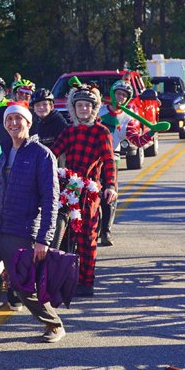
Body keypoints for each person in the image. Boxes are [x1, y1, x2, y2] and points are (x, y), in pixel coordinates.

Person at [0, 101, 64, 345]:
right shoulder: (6, 151)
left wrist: (43, 239)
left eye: (19, 119)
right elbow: (0, 190)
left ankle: (53, 323)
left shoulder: (42, 155)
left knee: (23, 287)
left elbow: (51, 199)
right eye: (9, 120)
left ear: (28, 123)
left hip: (23, 232)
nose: (14, 123)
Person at [51, 83, 117, 297]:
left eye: (87, 106)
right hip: (68, 186)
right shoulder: (69, 131)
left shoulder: (101, 132)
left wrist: (111, 186)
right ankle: (61, 277)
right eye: (79, 106)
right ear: (73, 108)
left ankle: (86, 282)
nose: (83, 110)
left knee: (87, 237)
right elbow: (53, 154)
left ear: (94, 108)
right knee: (63, 233)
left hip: (90, 190)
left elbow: (109, 162)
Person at [97, 79, 154, 246]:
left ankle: (105, 232)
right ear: (113, 94)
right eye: (118, 93)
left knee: (110, 196)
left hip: (112, 158)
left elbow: (136, 141)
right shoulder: (98, 111)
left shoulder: (128, 118)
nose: (120, 97)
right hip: (92, 158)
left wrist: (152, 133)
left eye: (124, 95)